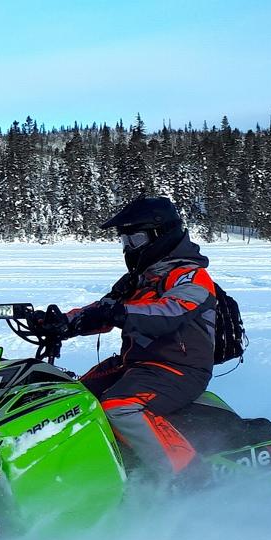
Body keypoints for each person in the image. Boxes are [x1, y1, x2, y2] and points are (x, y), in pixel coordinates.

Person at [58, 196, 217, 480]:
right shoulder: (138, 279)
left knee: (120, 407)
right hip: (137, 365)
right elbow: (102, 309)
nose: (129, 248)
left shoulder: (190, 275)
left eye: (136, 239)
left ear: (161, 234)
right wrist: (62, 322)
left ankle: (191, 478)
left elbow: (170, 312)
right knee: (72, 399)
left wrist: (118, 313)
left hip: (179, 370)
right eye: (125, 241)